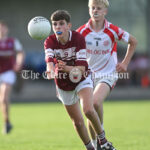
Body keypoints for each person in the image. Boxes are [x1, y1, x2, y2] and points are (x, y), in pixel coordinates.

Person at [44, 10, 116, 150]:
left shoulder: (78, 38)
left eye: (61, 24)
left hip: (82, 79)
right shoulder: (50, 41)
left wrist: (66, 69)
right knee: (78, 122)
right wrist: (50, 68)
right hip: (63, 84)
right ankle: (90, 148)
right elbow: (49, 59)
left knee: (88, 109)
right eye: (55, 24)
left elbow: (81, 70)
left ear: (68, 25)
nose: (58, 27)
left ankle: (104, 141)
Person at [77, 0, 137, 149]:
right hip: (88, 76)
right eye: (92, 8)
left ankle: (101, 134)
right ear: (89, 10)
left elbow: (133, 42)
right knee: (90, 111)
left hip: (108, 74)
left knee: (95, 103)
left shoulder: (112, 30)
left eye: (98, 8)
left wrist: (124, 63)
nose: (95, 11)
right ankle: (97, 145)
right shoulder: (81, 31)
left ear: (105, 11)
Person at [0, 20, 25, 134]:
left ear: (6, 29)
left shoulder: (12, 41)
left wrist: (19, 63)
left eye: (3, 27)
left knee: (4, 98)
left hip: (8, 72)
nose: (1, 30)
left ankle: (6, 122)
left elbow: (20, 52)